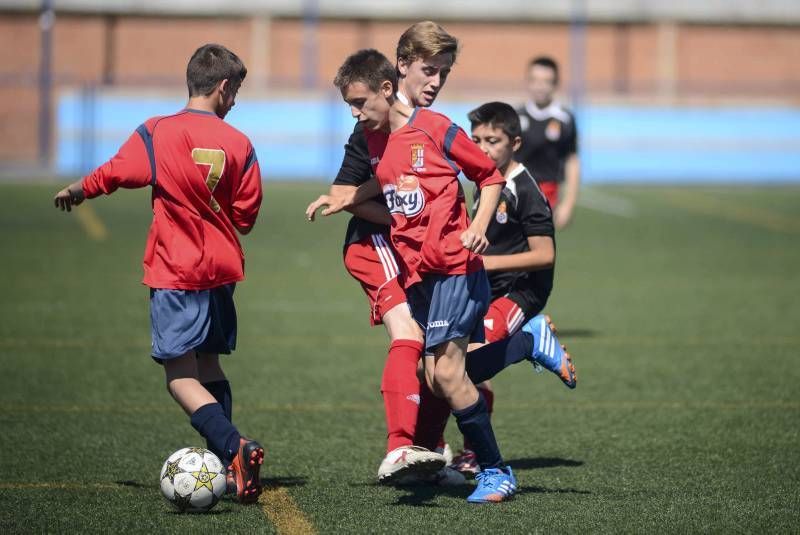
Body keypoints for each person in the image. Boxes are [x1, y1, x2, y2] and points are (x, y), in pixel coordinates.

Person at [53, 43, 265, 503]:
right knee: (209, 364)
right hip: (222, 271)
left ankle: (235, 446)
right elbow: (246, 216)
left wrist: (79, 189)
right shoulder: (241, 143)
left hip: (177, 271)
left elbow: (117, 172)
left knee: (179, 376)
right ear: (224, 88)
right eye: (237, 92)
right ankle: (232, 469)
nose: (236, 102)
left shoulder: (157, 131)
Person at [310, 48, 521, 503]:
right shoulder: (379, 145)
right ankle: (524, 346)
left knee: (444, 372)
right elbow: (383, 184)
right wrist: (343, 199)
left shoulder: (437, 127)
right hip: (424, 273)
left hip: (455, 268)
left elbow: (489, 176)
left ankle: (494, 470)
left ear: (387, 89)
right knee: (434, 373)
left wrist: (478, 228)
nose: (354, 112)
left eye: (360, 102)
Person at [308, 22, 462, 485]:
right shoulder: (368, 129)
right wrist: (399, 214)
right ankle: (399, 448)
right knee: (410, 336)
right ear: (400, 71)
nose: (435, 81)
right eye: (428, 71)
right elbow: (345, 194)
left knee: (445, 355)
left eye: (443, 73)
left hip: (425, 253)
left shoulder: (430, 127)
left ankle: (430, 455)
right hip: (379, 246)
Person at [450, 101, 572, 474]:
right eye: (476, 140)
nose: (482, 149)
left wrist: (485, 263)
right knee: (457, 364)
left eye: (492, 141)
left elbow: (545, 255)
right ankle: (468, 451)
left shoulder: (526, 190)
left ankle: (532, 339)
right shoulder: (484, 180)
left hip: (521, 292)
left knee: (462, 365)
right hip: (487, 289)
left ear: (515, 143)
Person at [516, 56, 580, 230]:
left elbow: (572, 160)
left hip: (548, 196)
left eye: (546, 81)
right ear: (527, 82)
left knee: (538, 251)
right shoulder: (515, 117)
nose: (540, 86)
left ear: (556, 83)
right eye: (535, 80)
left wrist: (568, 204)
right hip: (515, 193)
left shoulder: (565, 119)